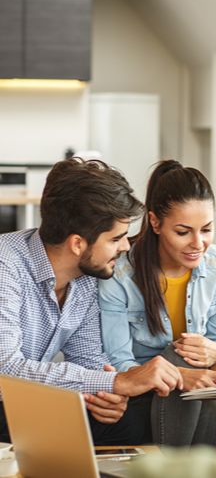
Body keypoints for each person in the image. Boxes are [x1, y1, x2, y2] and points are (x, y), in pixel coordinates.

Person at [0, 157, 183, 446]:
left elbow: (88, 358)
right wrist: (117, 382)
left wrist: (106, 395)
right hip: (4, 397)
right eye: (116, 238)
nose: (125, 246)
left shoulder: (86, 277)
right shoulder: (5, 264)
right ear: (77, 244)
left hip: (24, 400)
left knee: (132, 416)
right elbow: (5, 370)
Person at [99, 159, 216, 447]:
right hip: (140, 388)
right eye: (183, 231)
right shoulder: (121, 274)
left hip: (192, 391)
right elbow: (118, 361)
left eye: (207, 229)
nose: (198, 243)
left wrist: (214, 356)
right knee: (177, 356)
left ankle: (186, 468)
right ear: (155, 222)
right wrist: (180, 374)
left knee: (195, 367)